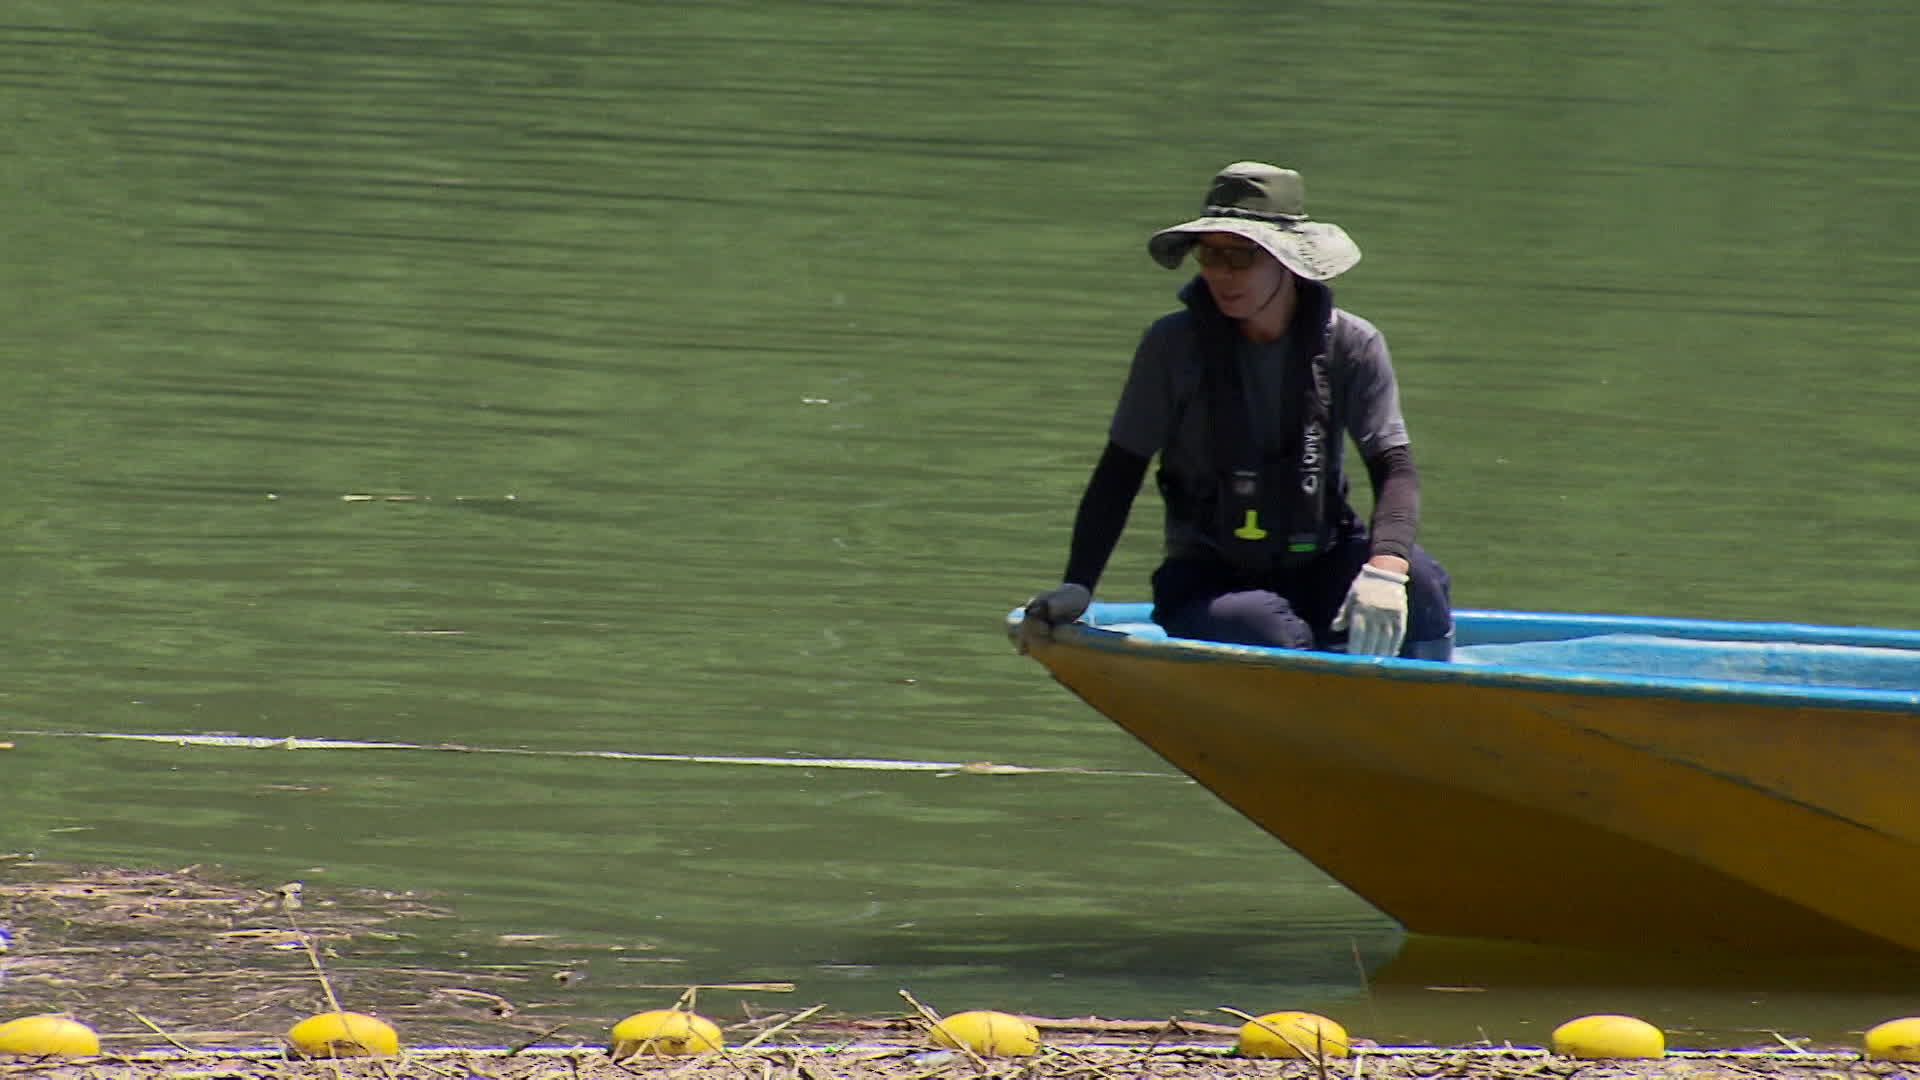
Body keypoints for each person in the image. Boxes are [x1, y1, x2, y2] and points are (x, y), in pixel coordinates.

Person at [1022, 161, 1453, 659]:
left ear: (1288, 262)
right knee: (1271, 635)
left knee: (1421, 585)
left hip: (1322, 555)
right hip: (1209, 578)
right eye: (1210, 255)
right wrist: (1079, 584)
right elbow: (1120, 470)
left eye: (1242, 257)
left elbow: (1394, 467)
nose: (1221, 275)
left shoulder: (1352, 345)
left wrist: (1385, 569)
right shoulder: (1170, 346)